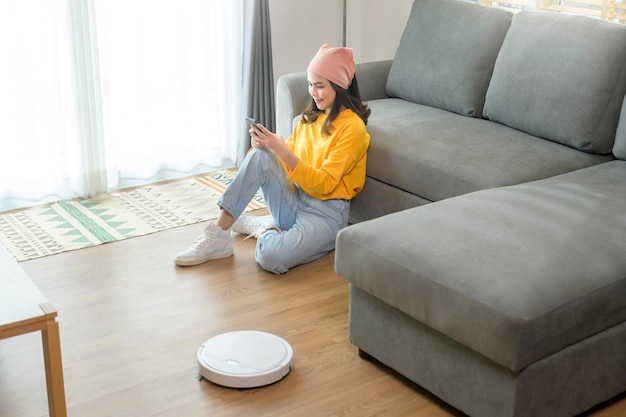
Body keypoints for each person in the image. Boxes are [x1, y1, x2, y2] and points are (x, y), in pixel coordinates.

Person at [174, 44, 371, 274]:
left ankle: (266, 226)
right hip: (297, 198)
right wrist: (265, 146)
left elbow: (325, 183)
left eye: (320, 86)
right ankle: (219, 235)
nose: (312, 92)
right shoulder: (308, 120)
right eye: (310, 85)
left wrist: (281, 149)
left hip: (325, 215)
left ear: (340, 86)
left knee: (270, 257)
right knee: (260, 155)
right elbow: (288, 163)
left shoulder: (353, 129)